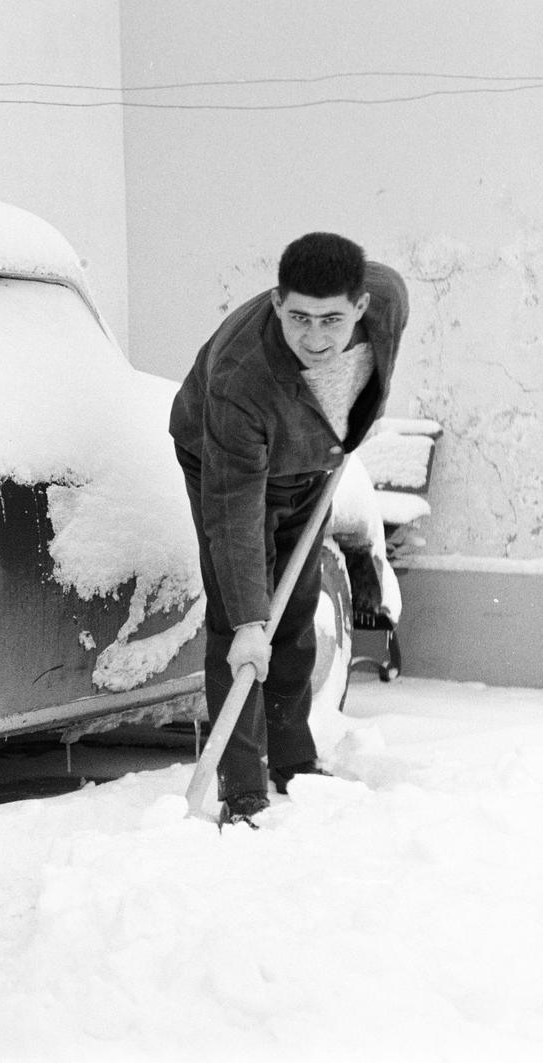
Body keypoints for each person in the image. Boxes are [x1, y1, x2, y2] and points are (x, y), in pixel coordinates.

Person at [169, 233, 410, 826]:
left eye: (332, 319)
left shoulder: (387, 298)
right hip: (228, 466)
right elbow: (234, 518)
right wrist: (252, 622)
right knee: (241, 622)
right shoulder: (240, 381)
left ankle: (294, 760)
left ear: (359, 307)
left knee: (298, 607)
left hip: (315, 463)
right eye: (298, 317)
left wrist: (351, 427)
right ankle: (243, 786)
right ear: (277, 303)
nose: (316, 337)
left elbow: (374, 355)